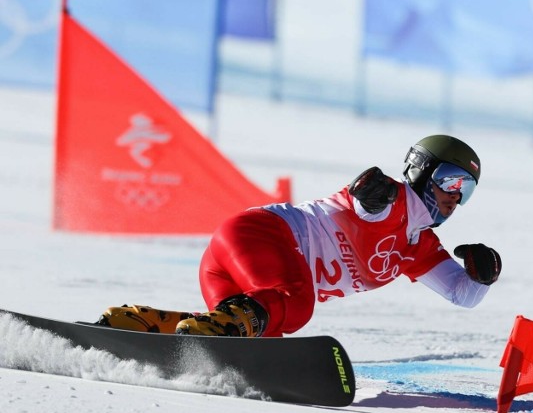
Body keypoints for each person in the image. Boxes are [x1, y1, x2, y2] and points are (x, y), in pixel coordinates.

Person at [99, 135, 502, 337]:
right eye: (452, 181)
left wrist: (484, 275)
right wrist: (368, 192)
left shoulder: (421, 247)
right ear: (422, 171)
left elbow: (461, 295)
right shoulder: (391, 198)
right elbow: (365, 205)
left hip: (241, 273)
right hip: (257, 236)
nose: (455, 198)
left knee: (242, 334)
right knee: (298, 303)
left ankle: (139, 323)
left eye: (466, 190)